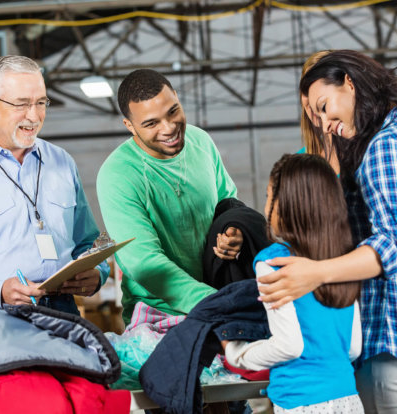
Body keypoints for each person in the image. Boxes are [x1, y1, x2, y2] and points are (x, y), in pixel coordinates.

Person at [258, 50, 397, 413]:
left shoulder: (382, 146)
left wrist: (316, 272)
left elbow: (391, 244)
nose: (322, 122)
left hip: (387, 341)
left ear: (349, 82)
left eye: (324, 105)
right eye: (313, 114)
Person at [0, 55, 109, 314]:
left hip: (64, 315)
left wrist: (97, 273)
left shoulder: (61, 162)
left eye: (41, 103)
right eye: (21, 104)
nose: (34, 116)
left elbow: (87, 242)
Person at [96, 69, 240, 324]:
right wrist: (217, 302)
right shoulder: (117, 174)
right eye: (151, 123)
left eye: (173, 111)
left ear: (176, 96)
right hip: (158, 316)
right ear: (129, 126)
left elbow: (228, 203)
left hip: (219, 297)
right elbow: (143, 262)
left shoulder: (201, 141)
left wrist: (234, 233)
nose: (169, 128)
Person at [223, 153, 363, 413]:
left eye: (269, 198)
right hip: (349, 399)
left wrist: (235, 353)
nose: (266, 209)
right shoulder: (342, 260)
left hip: (300, 401)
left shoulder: (273, 262)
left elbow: (290, 345)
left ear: (286, 205)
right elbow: (353, 347)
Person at [299, 50, 340, 174]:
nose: (311, 99)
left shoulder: (370, 154)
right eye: (305, 89)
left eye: (319, 89)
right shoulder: (298, 164)